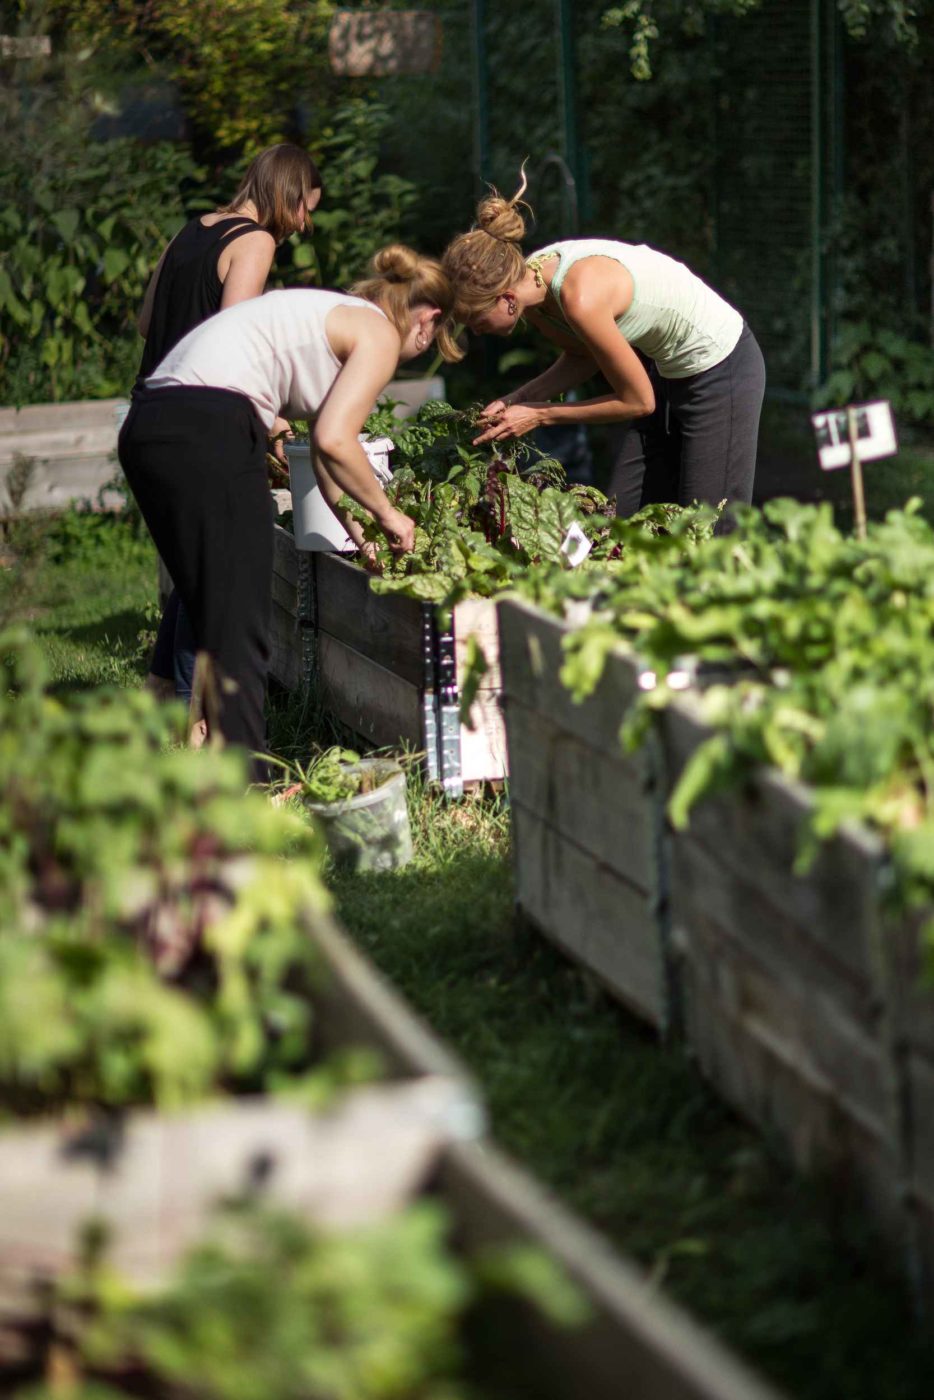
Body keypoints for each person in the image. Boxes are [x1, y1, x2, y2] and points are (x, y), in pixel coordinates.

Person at [118, 246, 462, 781]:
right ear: (429, 319)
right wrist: (391, 517)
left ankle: (188, 754)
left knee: (214, 604)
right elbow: (335, 439)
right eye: (437, 339)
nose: (424, 349)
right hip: (211, 426)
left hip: (149, 426)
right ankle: (245, 788)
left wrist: (361, 536)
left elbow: (326, 459)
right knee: (242, 618)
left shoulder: (331, 312)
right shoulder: (379, 335)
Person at [441, 173, 766, 524]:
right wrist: (516, 400)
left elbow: (638, 402)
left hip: (721, 369)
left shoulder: (579, 297)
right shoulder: (532, 286)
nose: (476, 330)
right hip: (664, 370)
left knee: (710, 530)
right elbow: (583, 356)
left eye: (475, 319)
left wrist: (539, 414)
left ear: (505, 299)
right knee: (622, 521)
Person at [139, 143, 323, 718]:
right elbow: (236, 340)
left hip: (150, 412)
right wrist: (272, 419)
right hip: (203, 420)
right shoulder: (256, 242)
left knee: (196, 571)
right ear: (287, 195)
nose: (305, 223)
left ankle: (158, 705)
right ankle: (198, 730)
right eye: (305, 208)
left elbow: (147, 321)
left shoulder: (188, 232)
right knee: (219, 574)